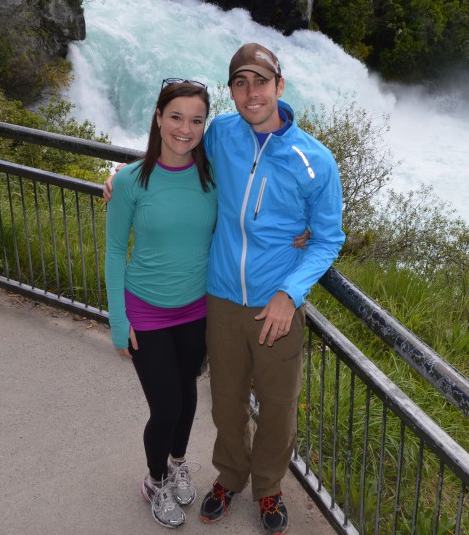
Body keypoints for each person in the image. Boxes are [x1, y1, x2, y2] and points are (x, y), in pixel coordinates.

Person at [107, 43, 344, 534]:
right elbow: (174, 150)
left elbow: (327, 239)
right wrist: (119, 178)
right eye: (241, 82)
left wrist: (291, 290)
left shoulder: (316, 161)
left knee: (277, 407)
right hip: (216, 297)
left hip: (276, 304)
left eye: (261, 81)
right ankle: (230, 477)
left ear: (280, 86)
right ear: (232, 90)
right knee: (226, 401)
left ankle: (269, 489)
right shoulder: (219, 136)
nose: (251, 92)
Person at [105, 79, 217, 529]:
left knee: (188, 396)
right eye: (176, 116)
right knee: (166, 406)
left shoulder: (213, 177)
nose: (184, 129)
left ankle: (177, 462)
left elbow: (255, 212)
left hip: (195, 308)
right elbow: (115, 251)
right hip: (146, 309)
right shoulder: (130, 181)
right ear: (157, 117)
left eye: (196, 120)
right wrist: (118, 319)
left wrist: (299, 232)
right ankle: (155, 481)